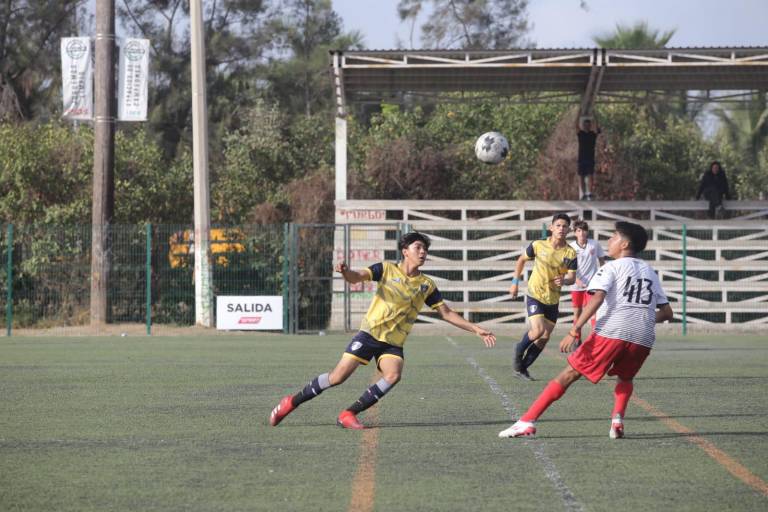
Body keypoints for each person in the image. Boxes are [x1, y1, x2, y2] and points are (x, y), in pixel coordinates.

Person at [269, 232, 496, 430]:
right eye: (418, 247)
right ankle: (291, 402)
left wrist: (475, 329)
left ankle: (348, 414)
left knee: (393, 374)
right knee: (337, 377)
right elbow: (357, 278)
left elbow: (446, 313)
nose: (423, 252)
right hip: (369, 335)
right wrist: (346, 272)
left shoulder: (426, 284)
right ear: (405, 251)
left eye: (425, 249)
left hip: (393, 343)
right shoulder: (386, 269)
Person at [499, 221, 674, 439]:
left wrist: (575, 329)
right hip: (644, 337)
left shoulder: (611, 267)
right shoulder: (650, 271)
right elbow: (668, 313)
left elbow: (597, 298)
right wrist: (642, 319)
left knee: (569, 373)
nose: (609, 241)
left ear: (625, 243)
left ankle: (527, 421)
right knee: (626, 378)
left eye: (613, 237)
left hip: (612, 332)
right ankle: (617, 420)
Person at [510, 213, 577, 381]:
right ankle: (518, 350)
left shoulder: (570, 253)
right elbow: (521, 260)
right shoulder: (538, 245)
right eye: (558, 225)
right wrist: (515, 283)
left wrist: (564, 279)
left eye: (565, 226)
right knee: (538, 331)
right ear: (551, 228)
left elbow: (571, 278)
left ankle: (522, 368)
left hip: (553, 300)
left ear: (569, 230)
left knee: (545, 338)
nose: (561, 229)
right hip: (535, 294)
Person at [569, 219, 605, 343]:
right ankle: (576, 339)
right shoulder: (571, 247)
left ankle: (594, 340)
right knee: (577, 314)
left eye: (584, 230)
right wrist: (576, 279)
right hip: (576, 286)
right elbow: (566, 267)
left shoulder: (594, 244)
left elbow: (602, 262)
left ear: (587, 232)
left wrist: (602, 276)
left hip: (592, 286)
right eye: (579, 230)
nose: (582, 233)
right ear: (575, 233)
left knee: (593, 313)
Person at [576, 116, 601, 201]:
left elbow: (597, 128)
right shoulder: (581, 134)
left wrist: (595, 116)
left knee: (591, 176)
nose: (587, 126)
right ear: (583, 126)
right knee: (581, 177)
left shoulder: (592, 134)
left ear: (590, 126)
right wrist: (578, 113)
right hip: (581, 158)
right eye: (585, 125)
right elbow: (576, 125)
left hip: (590, 158)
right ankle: (583, 194)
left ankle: (590, 193)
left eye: (588, 125)